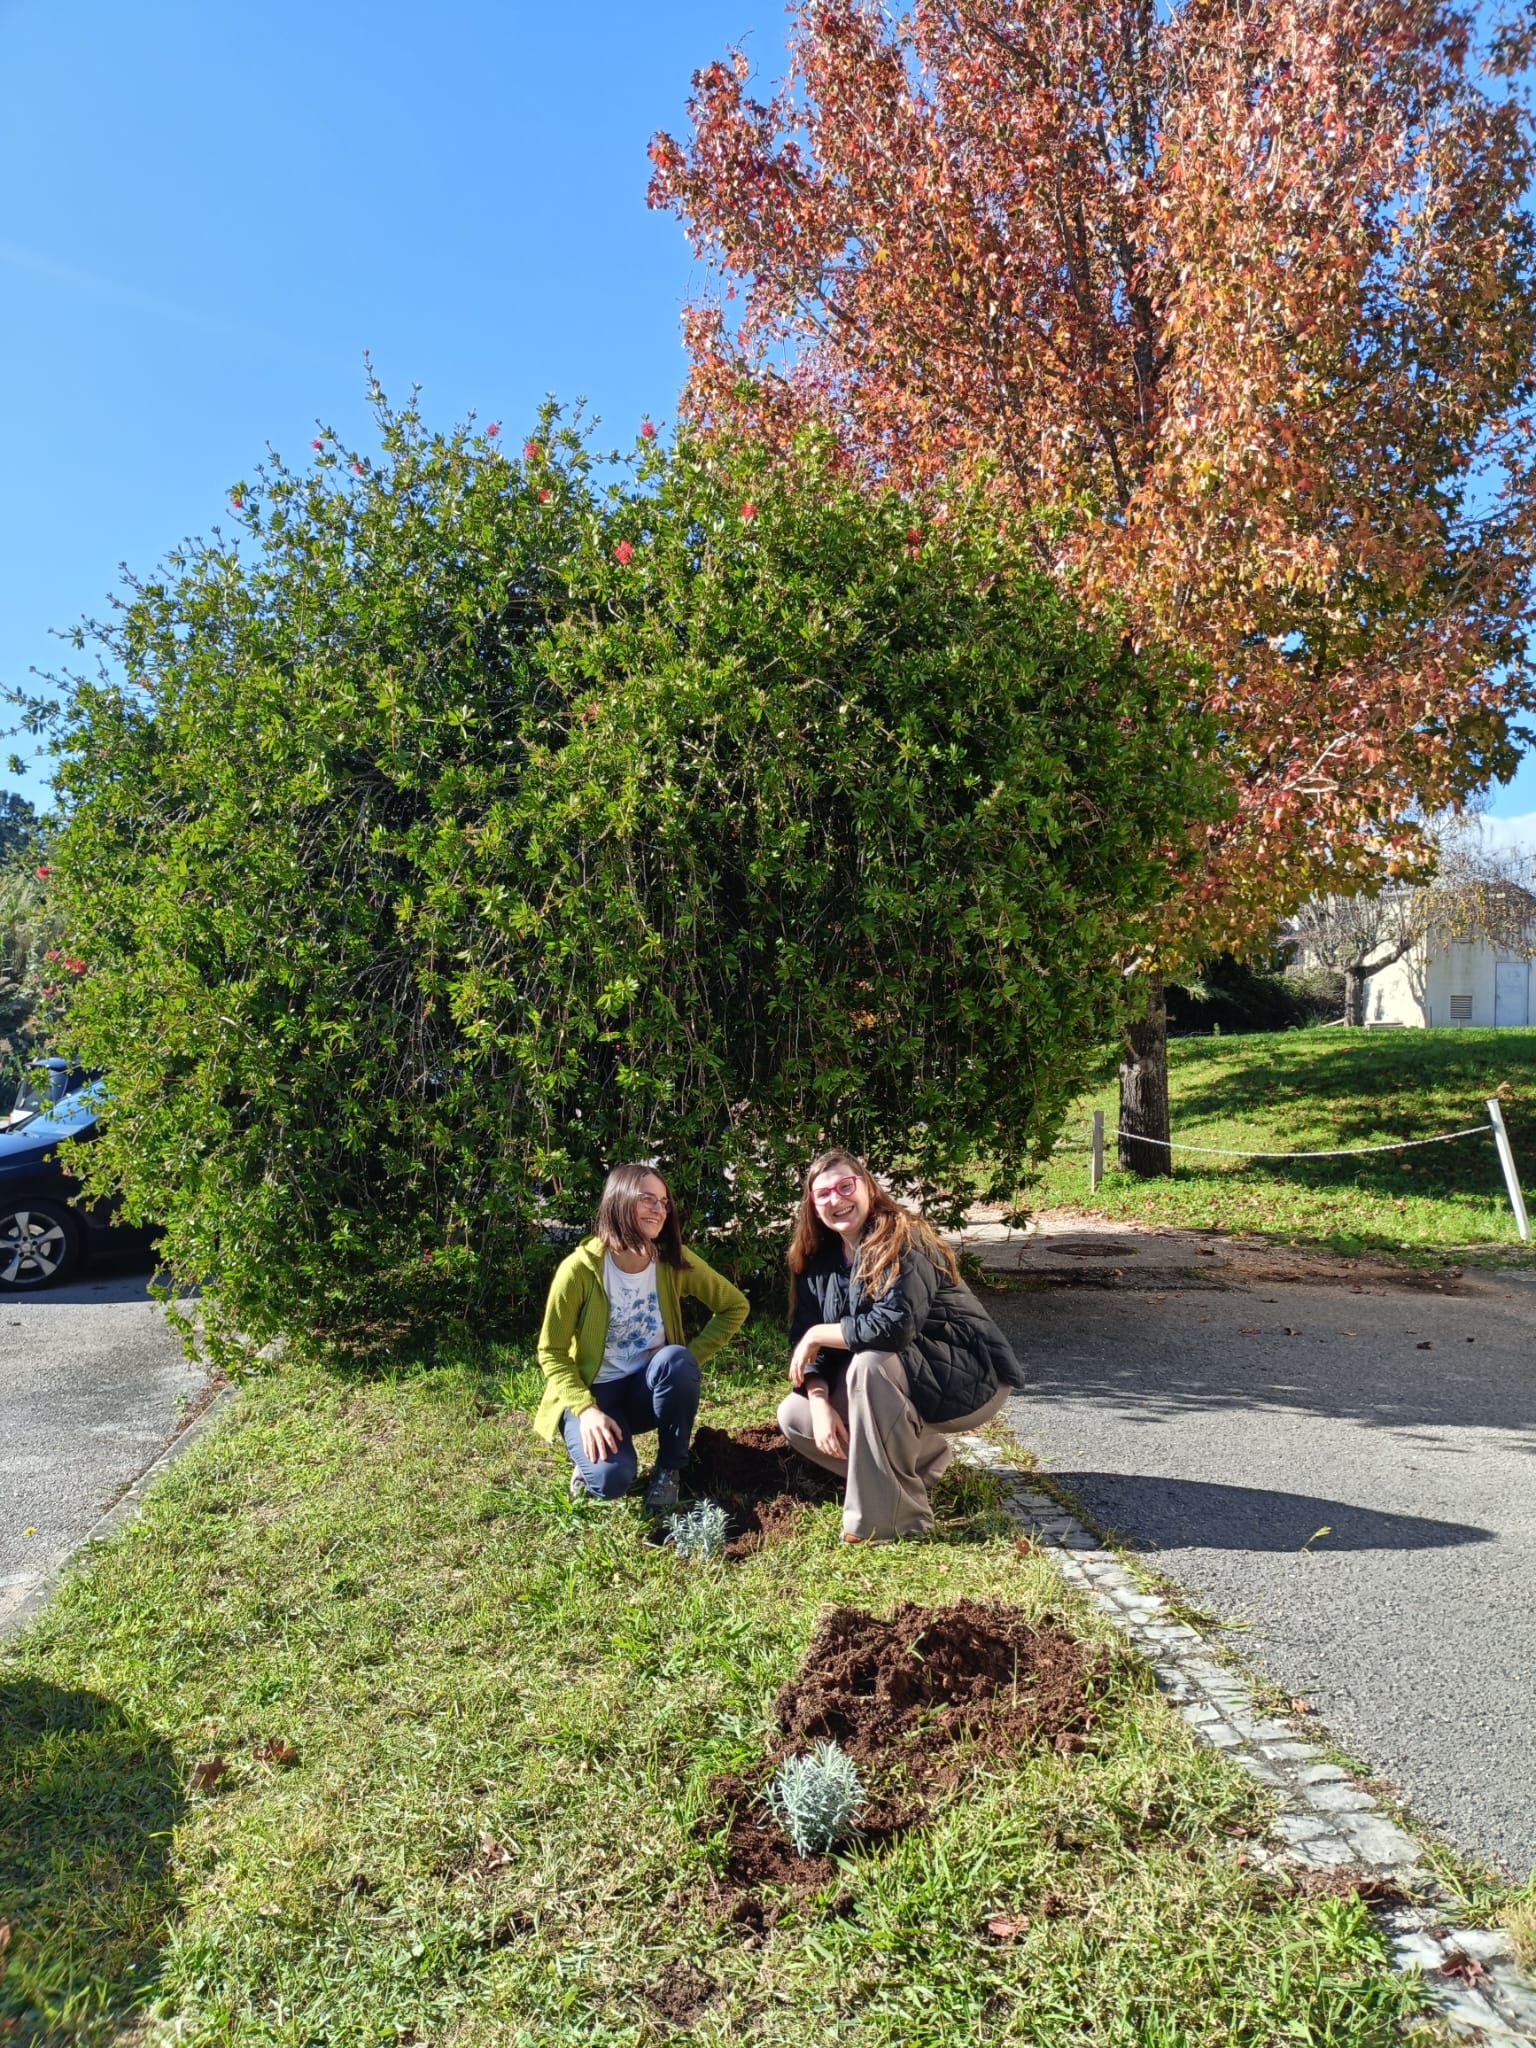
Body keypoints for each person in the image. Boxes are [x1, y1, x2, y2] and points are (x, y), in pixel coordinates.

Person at [778, 1149, 1026, 1541]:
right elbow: (807, 1346)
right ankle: (924, 1459)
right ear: (812, 1205)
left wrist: (818, 1335)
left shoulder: (901, 1237)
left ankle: (892, 1522)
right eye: (823, 1194)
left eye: (846, 1186)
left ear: (868, 1187)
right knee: (796, 1415)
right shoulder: (818, 1259)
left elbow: (894, 1329)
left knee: (869, 1365)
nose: (835, 1199)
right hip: (904, 1379)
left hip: (966, 1377)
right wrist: (821, 1399)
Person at [534, 1162, 749, 1511]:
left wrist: (690, 1360)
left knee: (675, 1361)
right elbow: (552, 1352)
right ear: (618, 1201)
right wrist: (586, 1410)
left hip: (645, 1391)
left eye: (664, 1202)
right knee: (611, 1481)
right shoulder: (578, 1270)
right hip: (595, 1395)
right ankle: (590, 1459)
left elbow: (734, 1306)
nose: (659, 1209)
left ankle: (669, 1470)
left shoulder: (670, 1261)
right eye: (647, 1198)